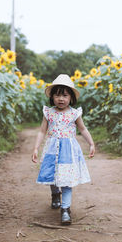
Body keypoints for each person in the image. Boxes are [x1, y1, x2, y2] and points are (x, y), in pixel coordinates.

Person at [31, 74, 95, 225]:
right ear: (52, 97)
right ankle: (55, 194)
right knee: (53, 175)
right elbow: (42, 131)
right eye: (57, 95)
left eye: (65, 95)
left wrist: (91, 143)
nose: (61, 99)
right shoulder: (49, 112)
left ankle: (65, 209)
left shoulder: (74, 113)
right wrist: (36, 148)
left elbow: (83, 129)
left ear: (71, 98)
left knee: (66, 180)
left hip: (68, 152)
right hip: (51, 149)